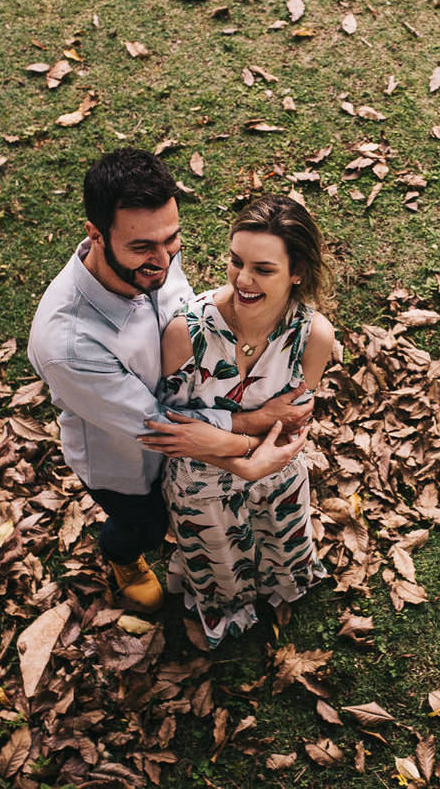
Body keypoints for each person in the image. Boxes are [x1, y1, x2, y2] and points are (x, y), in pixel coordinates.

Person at [27, 149, 310, 614]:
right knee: (144, 524)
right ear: (95, 235)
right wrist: (250, 435)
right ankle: (121, 558)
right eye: (143, 248)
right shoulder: (67, 344)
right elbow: (157, 426)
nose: (162, 261)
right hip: (127, 460)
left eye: (171, 239)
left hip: (201, 416)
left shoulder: (151, 251)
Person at [141, 195, 334, 647]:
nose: (243, 279)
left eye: (263, 270)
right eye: (235, 261)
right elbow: (169, 427)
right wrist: (245, 454)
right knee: (219, 565)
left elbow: (295, 420)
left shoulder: (313, 336)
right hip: (200, 484)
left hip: (278, 473)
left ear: (298, 272)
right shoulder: (186, 333)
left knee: (280, 549)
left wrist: (228, 443)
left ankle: (282, 586)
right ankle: (226, 611)